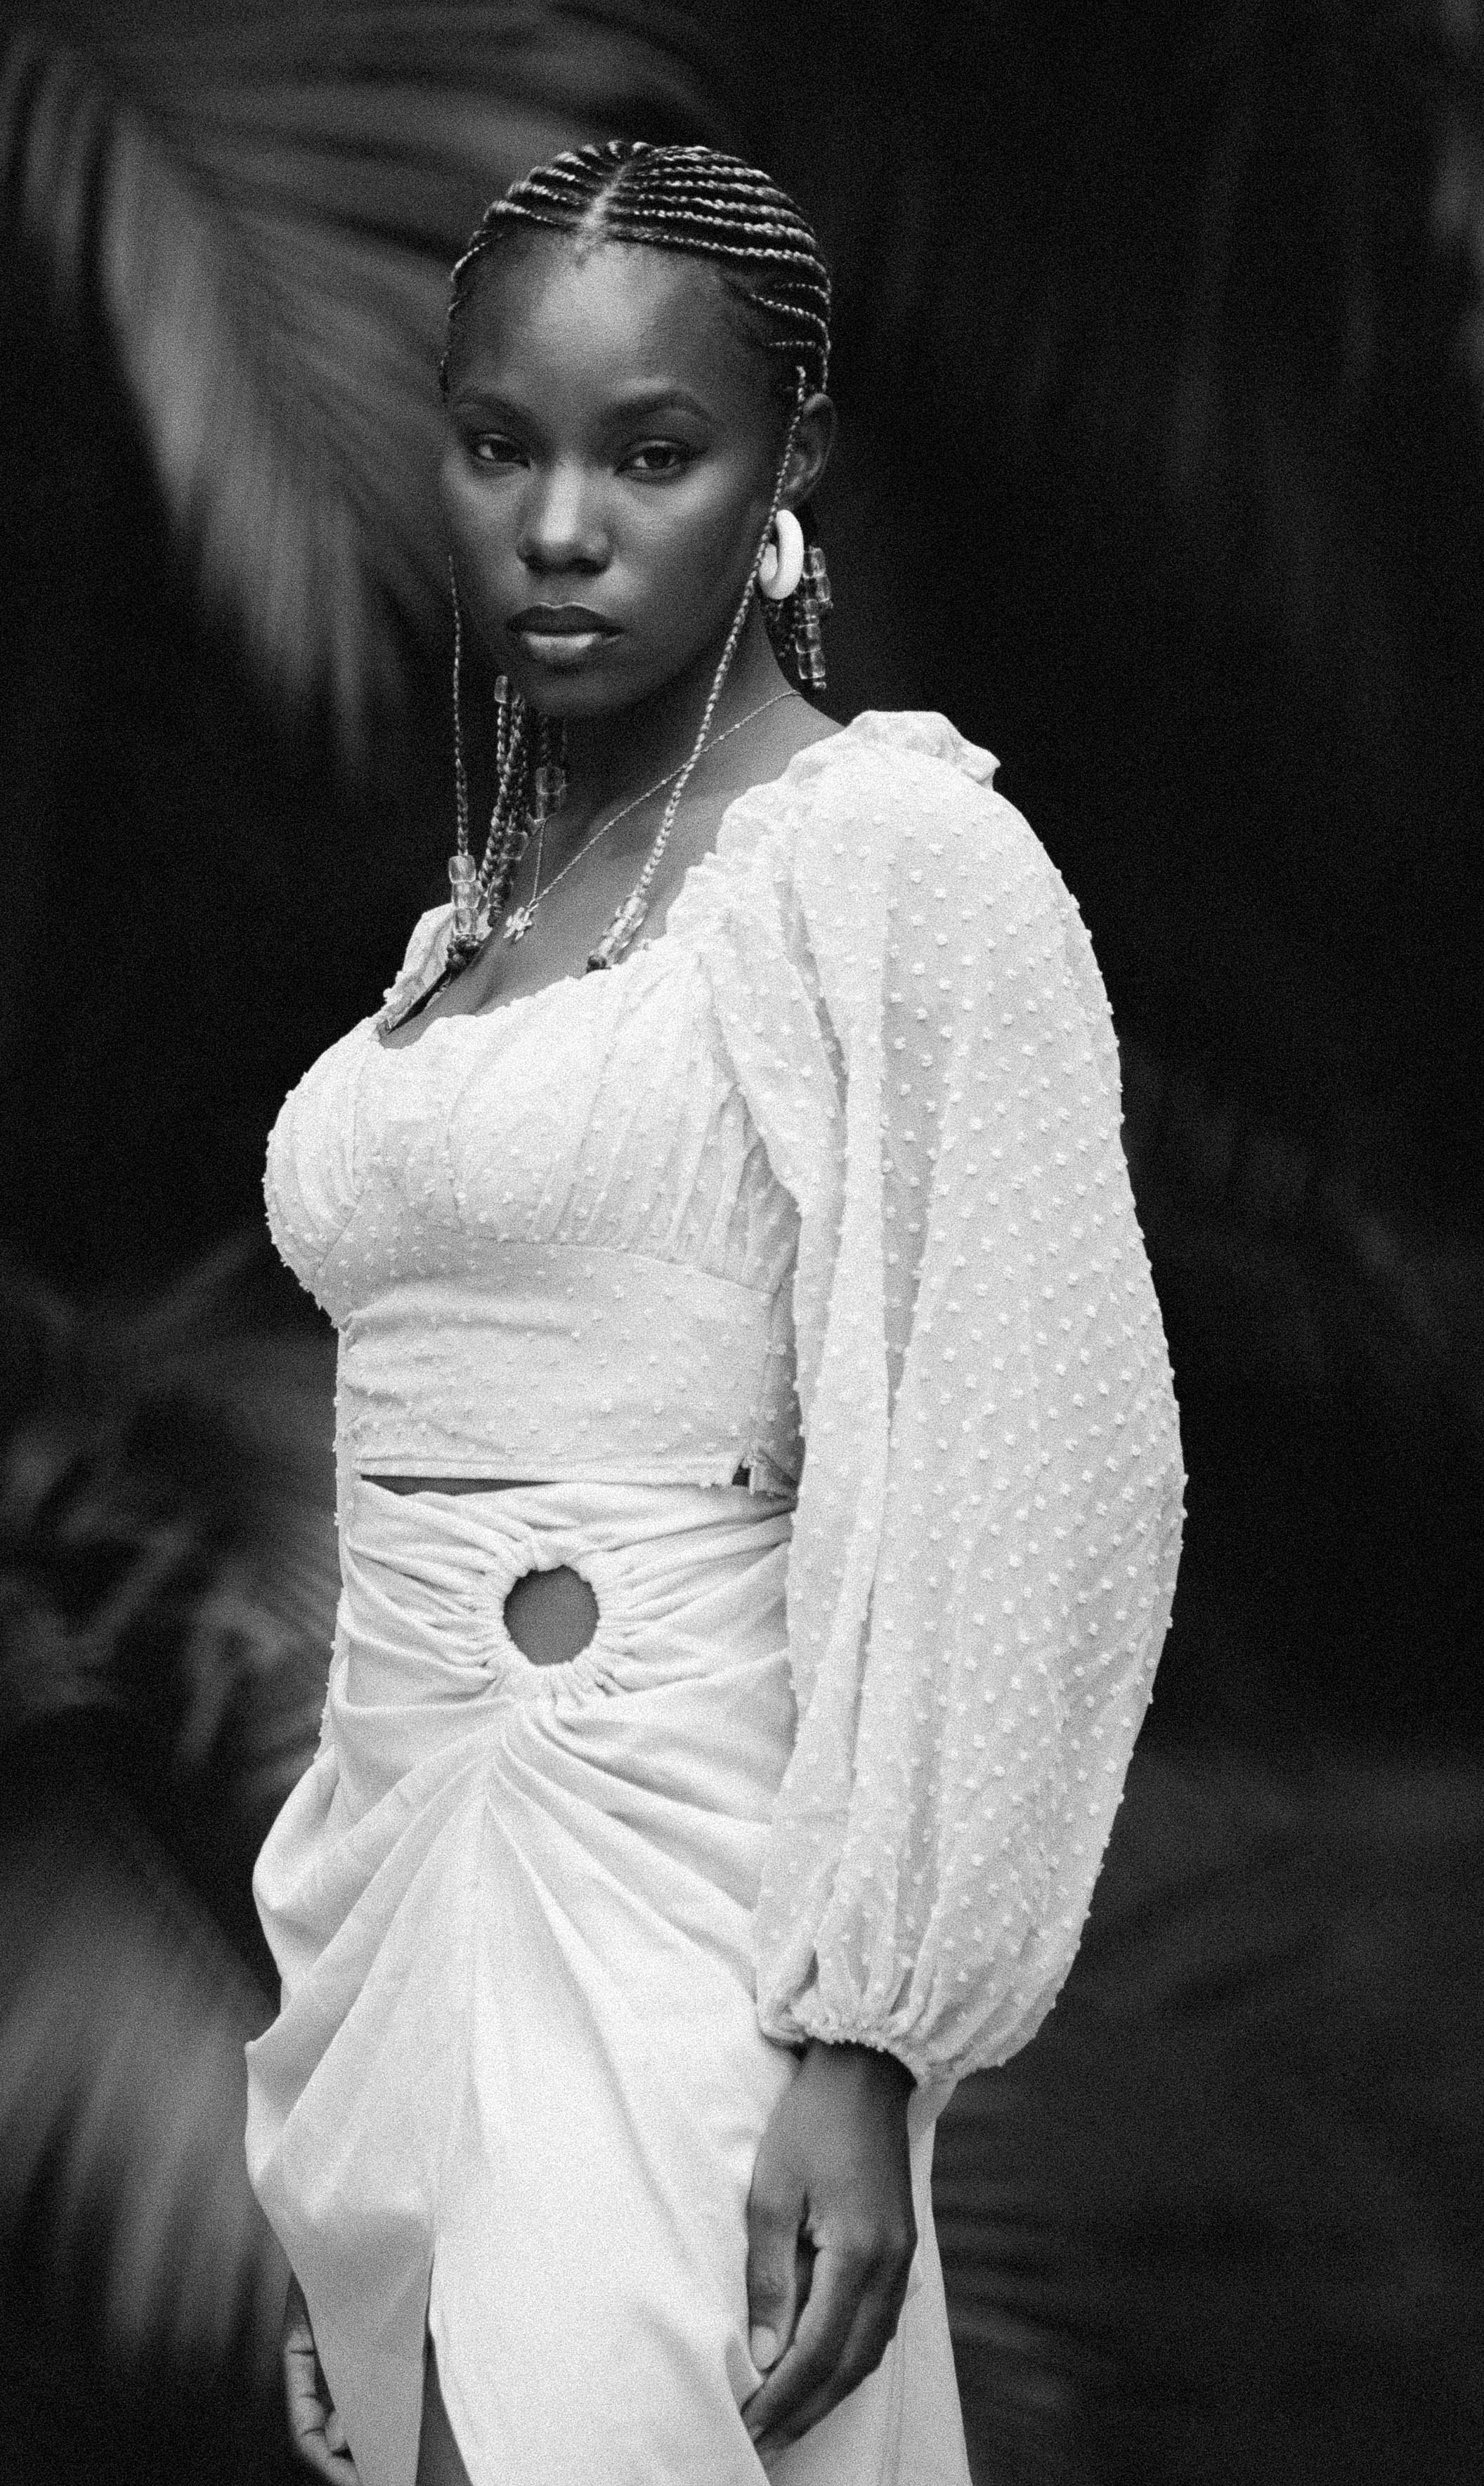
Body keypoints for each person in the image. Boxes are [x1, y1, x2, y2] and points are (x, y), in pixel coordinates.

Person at [245, 141, 1185, 2486]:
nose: (561, 525)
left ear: (792, 468)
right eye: (500, 446)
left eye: (652, 453)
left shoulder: (893, 861)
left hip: (681, 1912)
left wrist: (871, 2047)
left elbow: (1045, 1465)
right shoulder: (490, 912)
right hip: (387, 1891)